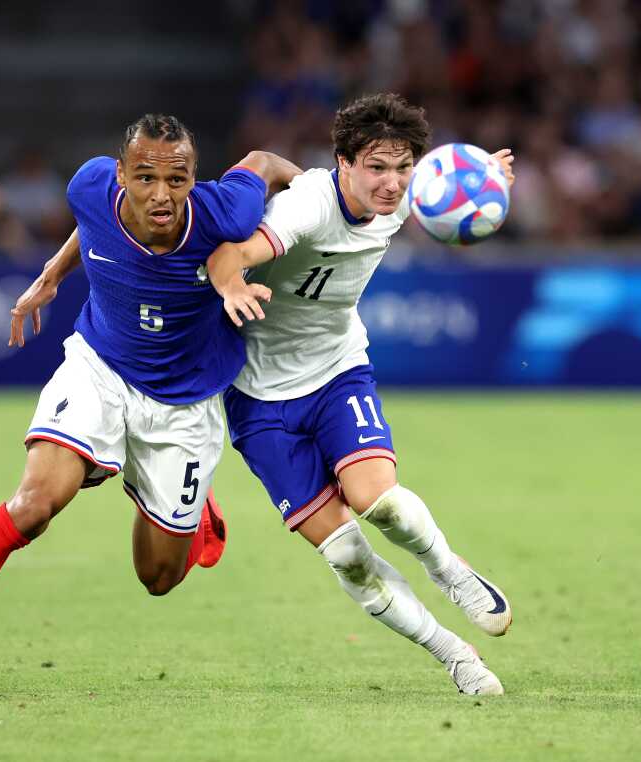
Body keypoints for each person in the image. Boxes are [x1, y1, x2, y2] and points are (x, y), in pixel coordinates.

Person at [0, 114, 301, 699]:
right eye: (144, 179)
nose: (161, 196)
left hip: (185, 403)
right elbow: (91, 227)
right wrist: (52, 274)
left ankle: (191, 510)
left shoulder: (226, 210)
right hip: (101, 369)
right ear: (120, 176)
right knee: (32, 507)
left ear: (196, 178)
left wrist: (315, 192)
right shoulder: (90, 188)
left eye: (178, 180)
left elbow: (262, 162)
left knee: (158, 578)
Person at [205, 93, 516, 696]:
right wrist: (229, 284)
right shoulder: (307, 208)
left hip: (337, 369)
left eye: (402, 169)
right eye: (376, 167)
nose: (391, 182)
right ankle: (455, 655)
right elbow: (230, 254)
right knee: (345, 553)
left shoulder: (406, 197)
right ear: (342, 162)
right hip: (257, 399)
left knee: (383, 503)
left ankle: (450, 570)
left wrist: (489, 178)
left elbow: (451, 182)